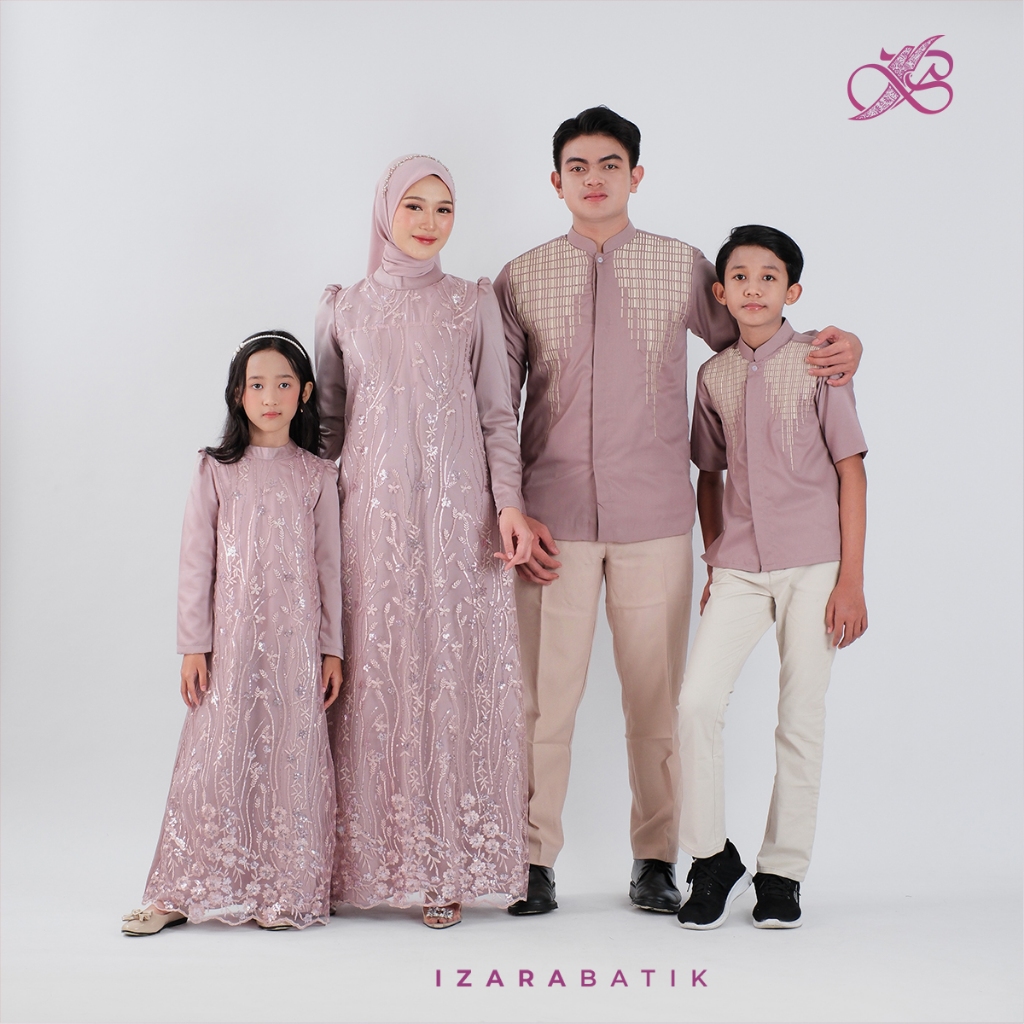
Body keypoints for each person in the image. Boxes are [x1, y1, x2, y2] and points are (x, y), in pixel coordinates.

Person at [493, 107, 864, 916]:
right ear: (556, 181)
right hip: (552, 523)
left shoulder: (681, 265)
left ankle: (657, 859)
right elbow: (497, 404)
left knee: (659, 704)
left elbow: (755, 335)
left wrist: (839, 348)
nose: (595, 178)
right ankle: (531, 860)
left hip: (657, 519)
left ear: (636, 175)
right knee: (542, 702)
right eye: (578, 166)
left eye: (611, 164)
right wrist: (510, 506)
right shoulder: (519, 277)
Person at [315, 155, 533, 929]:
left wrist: (508, 505)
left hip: (457, 523)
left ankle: (444, 865)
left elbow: (497, 415)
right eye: (414, 205)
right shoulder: (343, 309)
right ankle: (357, 864)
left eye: (444, 208)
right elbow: (327, 427)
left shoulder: (471, 303)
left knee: (450, 679)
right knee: (374, 680)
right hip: (369, 525)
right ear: (385, 211)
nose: (429, 222)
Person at [676, 225, 868, 930]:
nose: (753, 288)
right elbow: (708, 473)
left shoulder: (820, 361)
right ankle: (710, 858)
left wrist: (851, 581)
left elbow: (851, 471)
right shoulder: (713, 377)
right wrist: (714, 556)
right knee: (696, 705)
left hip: (816, 565)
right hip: (740, 568)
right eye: (740, 277)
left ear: (792, 291)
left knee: (800, 715)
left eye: (769, 277)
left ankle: (782, 873)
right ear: (720, 292)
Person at [122, 331, 343, 935]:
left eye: (283, 384)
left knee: (288, 758)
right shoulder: (216, 470)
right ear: (237, 394)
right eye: (256, 384)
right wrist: (194, 645)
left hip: (297, 647)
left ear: (304, 394)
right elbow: (196, 561)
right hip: (233, 643)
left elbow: (329, 568)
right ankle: (180, 889)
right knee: (213, 757)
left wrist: (332, 649)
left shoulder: (317, 475)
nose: (269, 397)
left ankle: (285, 889)